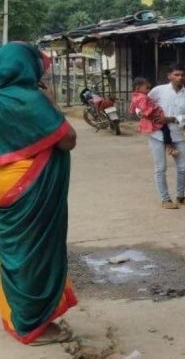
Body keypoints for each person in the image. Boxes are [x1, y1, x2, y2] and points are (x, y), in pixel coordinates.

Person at [0, 43, 78, 345]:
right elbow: (67, 140)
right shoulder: (28, 99)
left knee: (14, 253)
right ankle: (33, 324)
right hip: (28, 188)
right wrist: (53, 104)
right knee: (36, 253)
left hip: (6, 188)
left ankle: (17, 314)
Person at [147, 63, 185, 210]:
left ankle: (180, 196)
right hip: (157, 134)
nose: (179, 77)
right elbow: (142, 104)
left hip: (177, 134)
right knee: (160, 168)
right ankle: (165, 199)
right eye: (176, 74)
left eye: (182, 75)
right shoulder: (158, 91)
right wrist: (143, 115)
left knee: (183, 167)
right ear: (169, 76)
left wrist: (171, 119)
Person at [129, 77, 178, 157]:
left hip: (149, 117)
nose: (148, 91)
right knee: (165, 129)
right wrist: (152, 110)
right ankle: (169, 146)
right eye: (147, 88)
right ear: (138, 88)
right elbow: (145, 109)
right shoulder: (144, 97)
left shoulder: (135, 97)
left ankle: (168, 147)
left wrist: (132, 111)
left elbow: (133, 106)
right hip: (154, 116)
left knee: (163, 131)